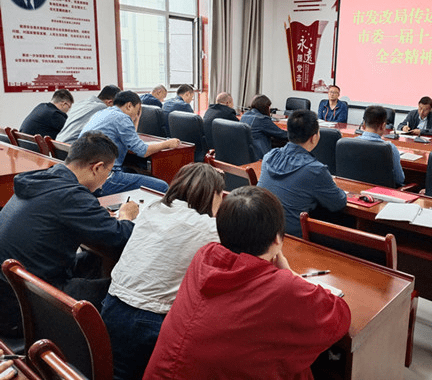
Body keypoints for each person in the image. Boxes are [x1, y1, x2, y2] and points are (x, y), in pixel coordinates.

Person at [143, 186, 351, 380]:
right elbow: (340, 317)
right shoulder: (282, 287)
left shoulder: (204, 256)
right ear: (278, 239)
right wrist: (290, 274)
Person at [0, 132, 139, 338]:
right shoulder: (71, 196)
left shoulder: (41, 179)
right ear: (97, 167)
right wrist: (126, 217)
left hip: (10, 292)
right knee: (122, 291)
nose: (105, 180)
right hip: (21, 310)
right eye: (108, 172)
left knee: (93, 259)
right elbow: (120, 237)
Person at [101, 163, 225, 380]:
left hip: (111, 305)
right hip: (150, 318)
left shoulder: (153, 208)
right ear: (213, 196)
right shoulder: (210, 229)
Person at [258, 110, 347, 237]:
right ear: (314, 137)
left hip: (262, 229)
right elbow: (338, 203)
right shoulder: (315, 170)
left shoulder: (269, 156)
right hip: (291, 237)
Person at [80, 91, 180, 195]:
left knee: (129, 170)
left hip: (86, 175)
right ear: (129, 106)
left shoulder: (101, 113)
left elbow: (131, 140)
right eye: (137, 111)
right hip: (104, 179)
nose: (137, 114)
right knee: (162, 186)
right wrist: (168, 143)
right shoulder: (121, 117)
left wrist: (135, 120)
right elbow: (143, 151)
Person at [56, 85, 121, 144]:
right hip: (72, 150)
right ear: (110, 102)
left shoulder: (80, 103)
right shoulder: (103, 108)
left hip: (58, 145)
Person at [358, 105, 405, 186]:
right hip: (381, 194)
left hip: (354, 191)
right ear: (383, 126)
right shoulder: (390, 148)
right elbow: (399, 179)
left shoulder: (348, 142)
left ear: (363, 125)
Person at [240, 94, 288, 159]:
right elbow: (282, 134)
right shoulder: (261, 119)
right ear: (266, 107)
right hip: (261, 155)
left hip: (247, 153)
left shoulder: (245, 115)